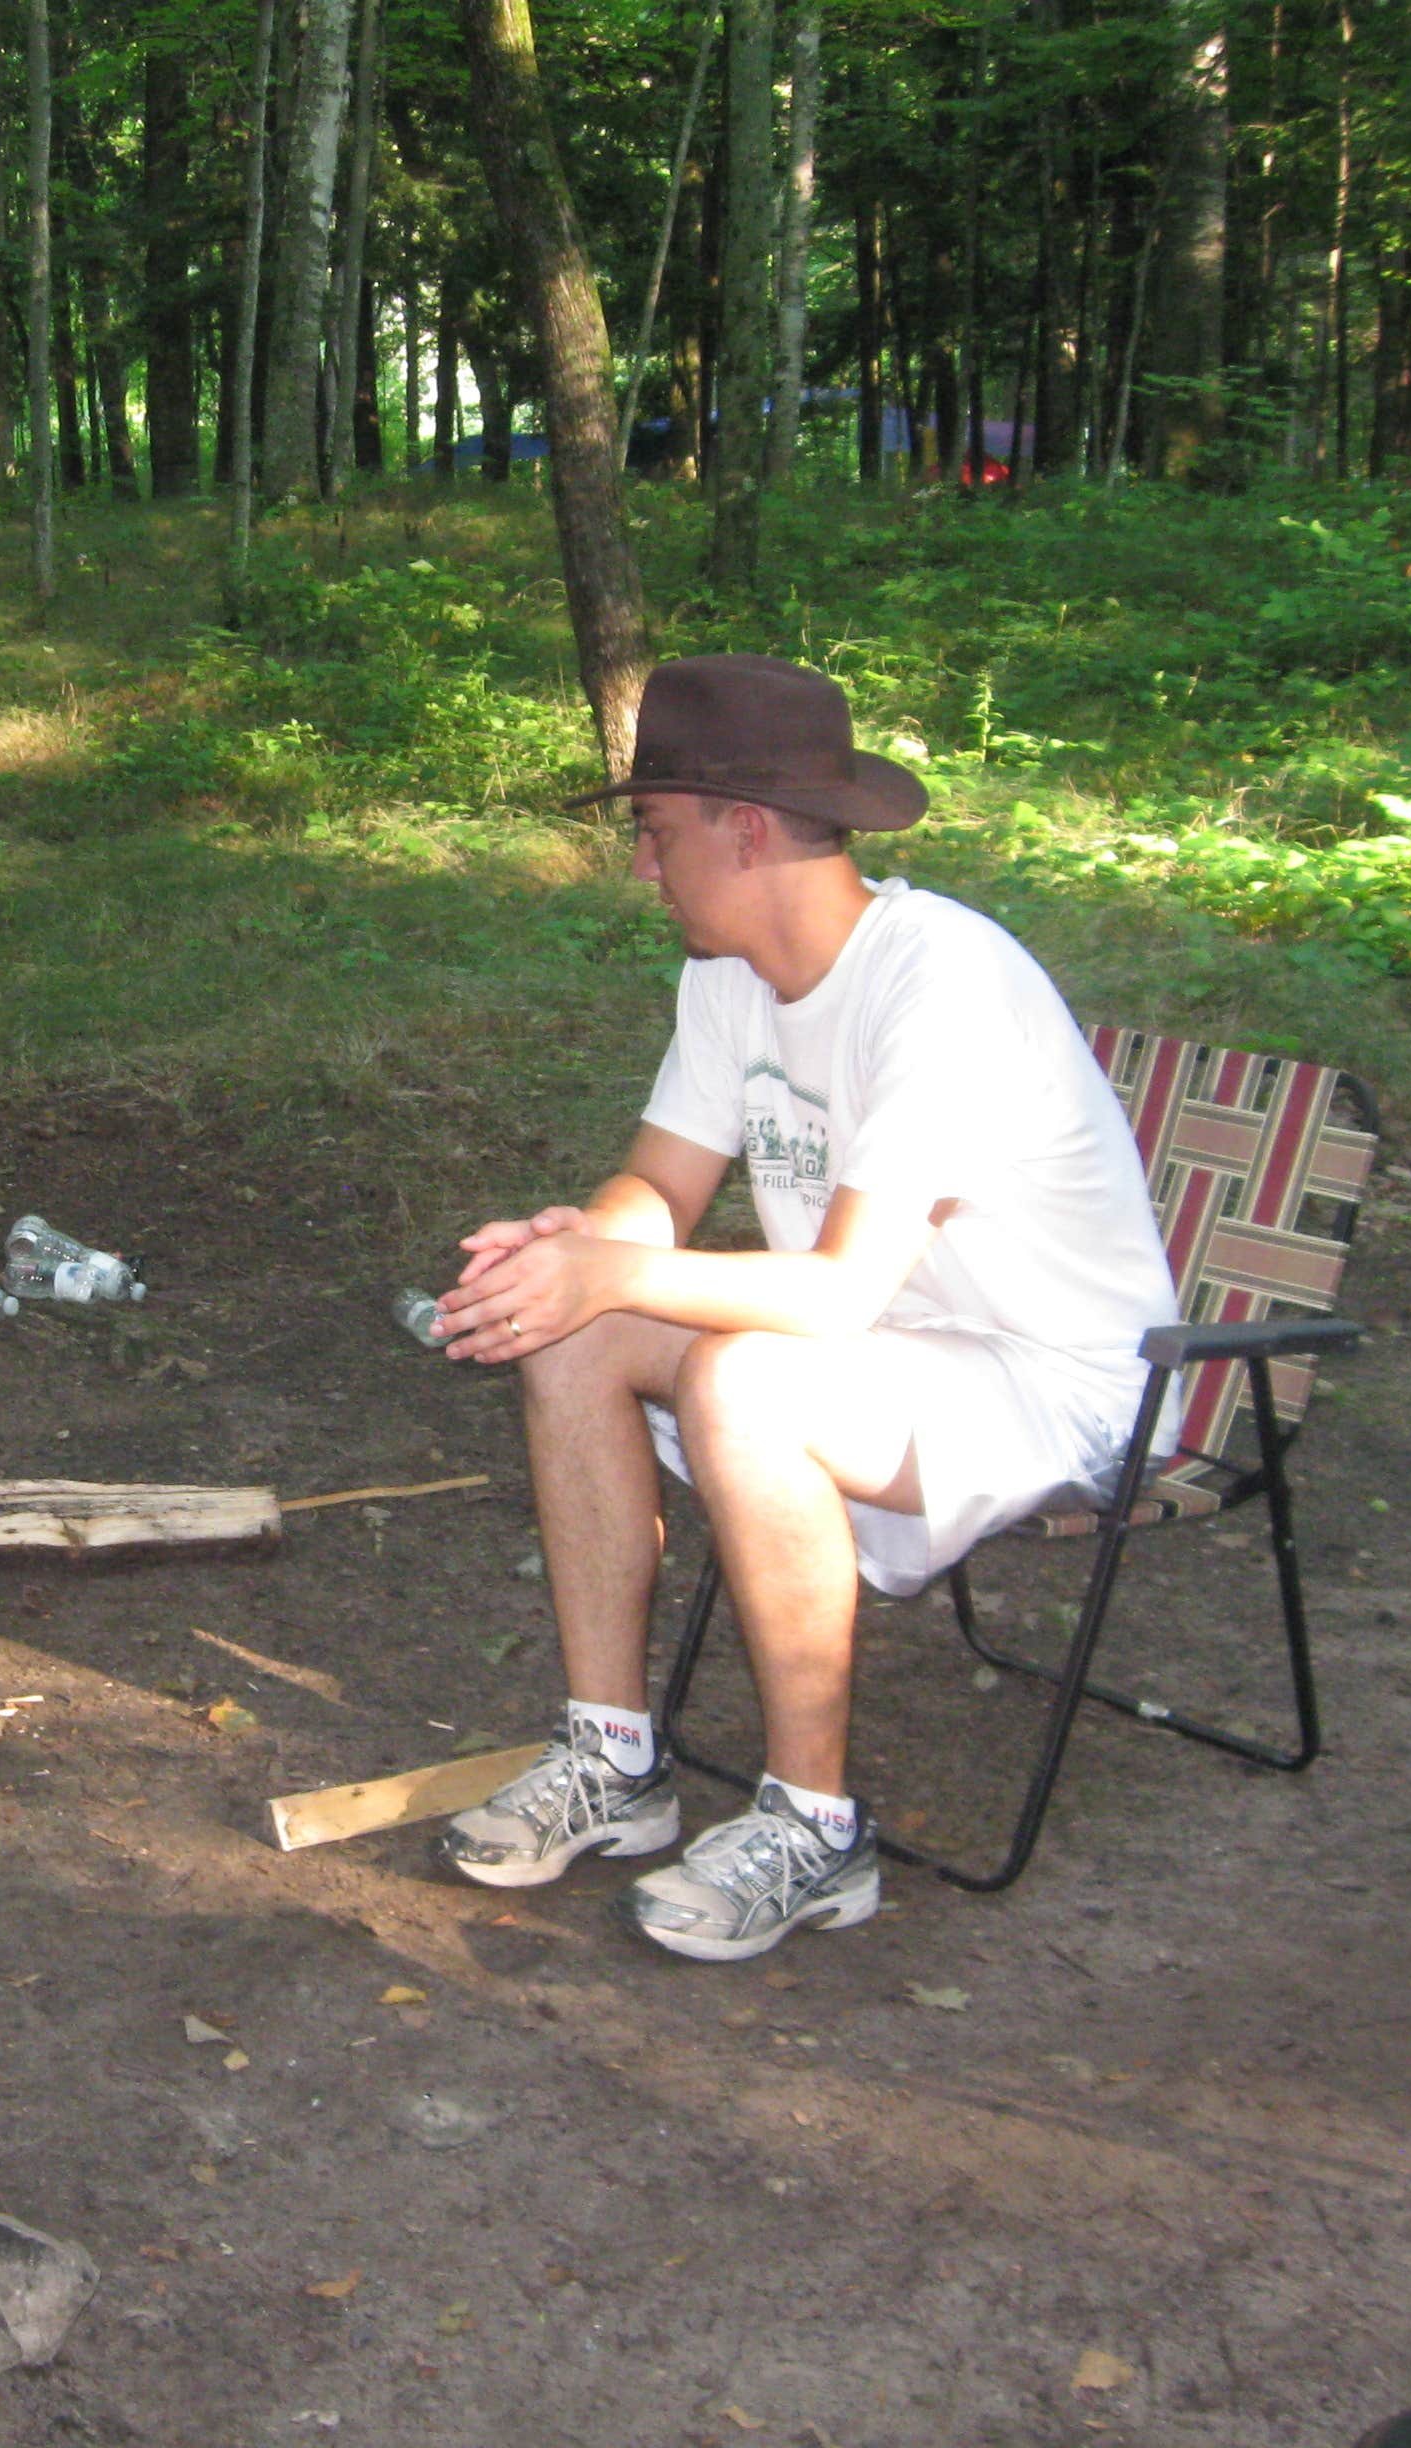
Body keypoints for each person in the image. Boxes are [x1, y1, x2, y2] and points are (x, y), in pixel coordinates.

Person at [429, 654, 1178, 1963]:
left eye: (656, 835)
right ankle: (614, 1760)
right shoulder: (730, 978)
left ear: (746, 828)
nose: (646, 870)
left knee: (744, 1381)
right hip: (891, 1353)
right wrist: (579, 1253)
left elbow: (832, 1294)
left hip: (1055, 1382)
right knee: (578, 1328)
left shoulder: (938, 980)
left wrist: (618, 1268)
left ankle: (817, 1827)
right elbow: (659, 1185)